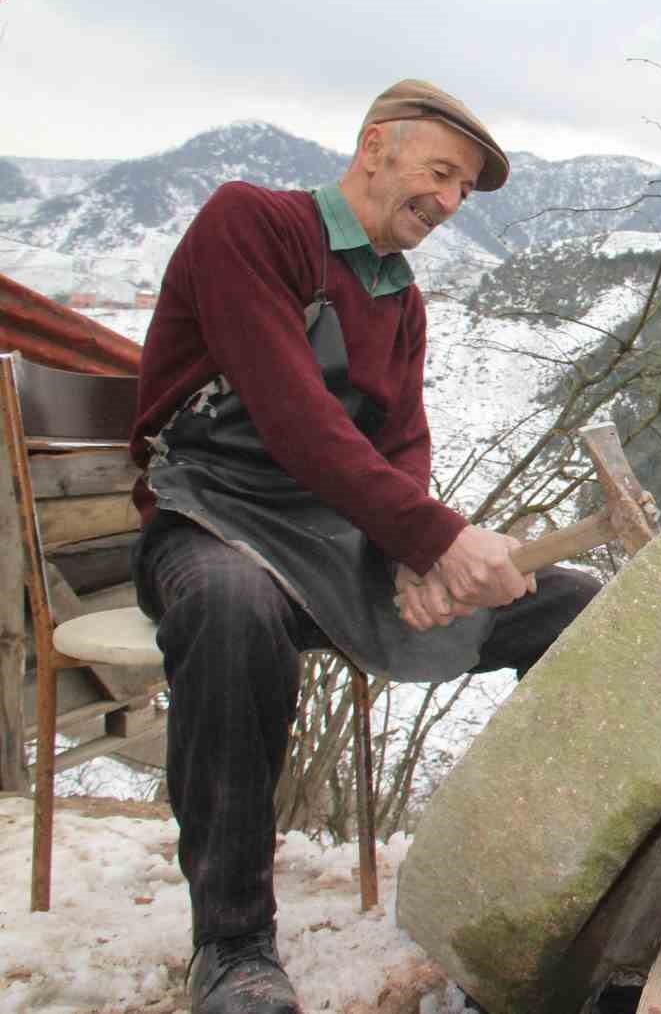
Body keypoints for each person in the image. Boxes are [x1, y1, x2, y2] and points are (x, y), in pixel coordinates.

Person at [128, 80, 603, 1014]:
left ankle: (545, 896)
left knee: (571, 607)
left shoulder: (400, 297)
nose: (450, 201)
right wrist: (433, 537)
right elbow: (293, 415)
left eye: (463, 189)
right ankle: (231, 946)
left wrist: (406, 559)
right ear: (376, 146)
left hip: (333, 539)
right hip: (212, 521)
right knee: (231, 605)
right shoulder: (253, 224)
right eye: (442, 172)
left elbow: (402, 444)